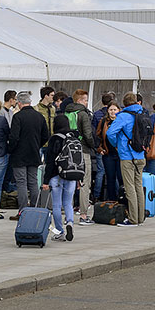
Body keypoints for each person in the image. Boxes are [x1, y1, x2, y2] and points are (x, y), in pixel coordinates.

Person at [105, 92, 146, 226]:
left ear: (124, 103)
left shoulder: (123, 116)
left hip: (127, 155)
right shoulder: (143, 114)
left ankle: (133, 219)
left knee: (130, 188)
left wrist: (116, 144)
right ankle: (140, 217)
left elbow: (110, 132)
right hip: (140, 155)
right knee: (139, 186)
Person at [7, 91, 50, 219]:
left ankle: (23, 211)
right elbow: (45, 136)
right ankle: (35, 210)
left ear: (19, 103)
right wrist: (37, 145)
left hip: (19, 155)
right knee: (33, 182)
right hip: (34, 153)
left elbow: (14, 137)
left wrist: (10, 149)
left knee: (21, 183)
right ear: (30, 102)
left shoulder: (18, 117)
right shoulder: (39, 116)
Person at [42, 115, 77, 242]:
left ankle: (60, 231)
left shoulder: (54, 139)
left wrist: (45, 181)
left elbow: (50, 162)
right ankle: (70, 223)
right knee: (68, 203)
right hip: (71, 175)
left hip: (56, 176)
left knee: (56, 205)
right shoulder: (73, 137)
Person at [63, 89, 95, 224]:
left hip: (68, 151)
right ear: (80, 100)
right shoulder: (83, 114)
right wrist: (93, 145)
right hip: (83, 150)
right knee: (84, 183)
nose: (87, 102)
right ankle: (83, 215)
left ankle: (68, 216)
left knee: (70, 182)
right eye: (86, 100)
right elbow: (88, 134)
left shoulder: (65, 113)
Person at [96, 102, 121, 201]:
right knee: (110, 178)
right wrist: (99, 148)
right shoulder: (103, 122)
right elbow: (98, 136)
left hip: (120, 154)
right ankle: (112, 200)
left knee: (120, 178)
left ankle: (121, 200)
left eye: (115, 109)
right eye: (111, 110)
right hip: (108, 153)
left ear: (119, 110)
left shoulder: (121, 121)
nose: (112, 112)